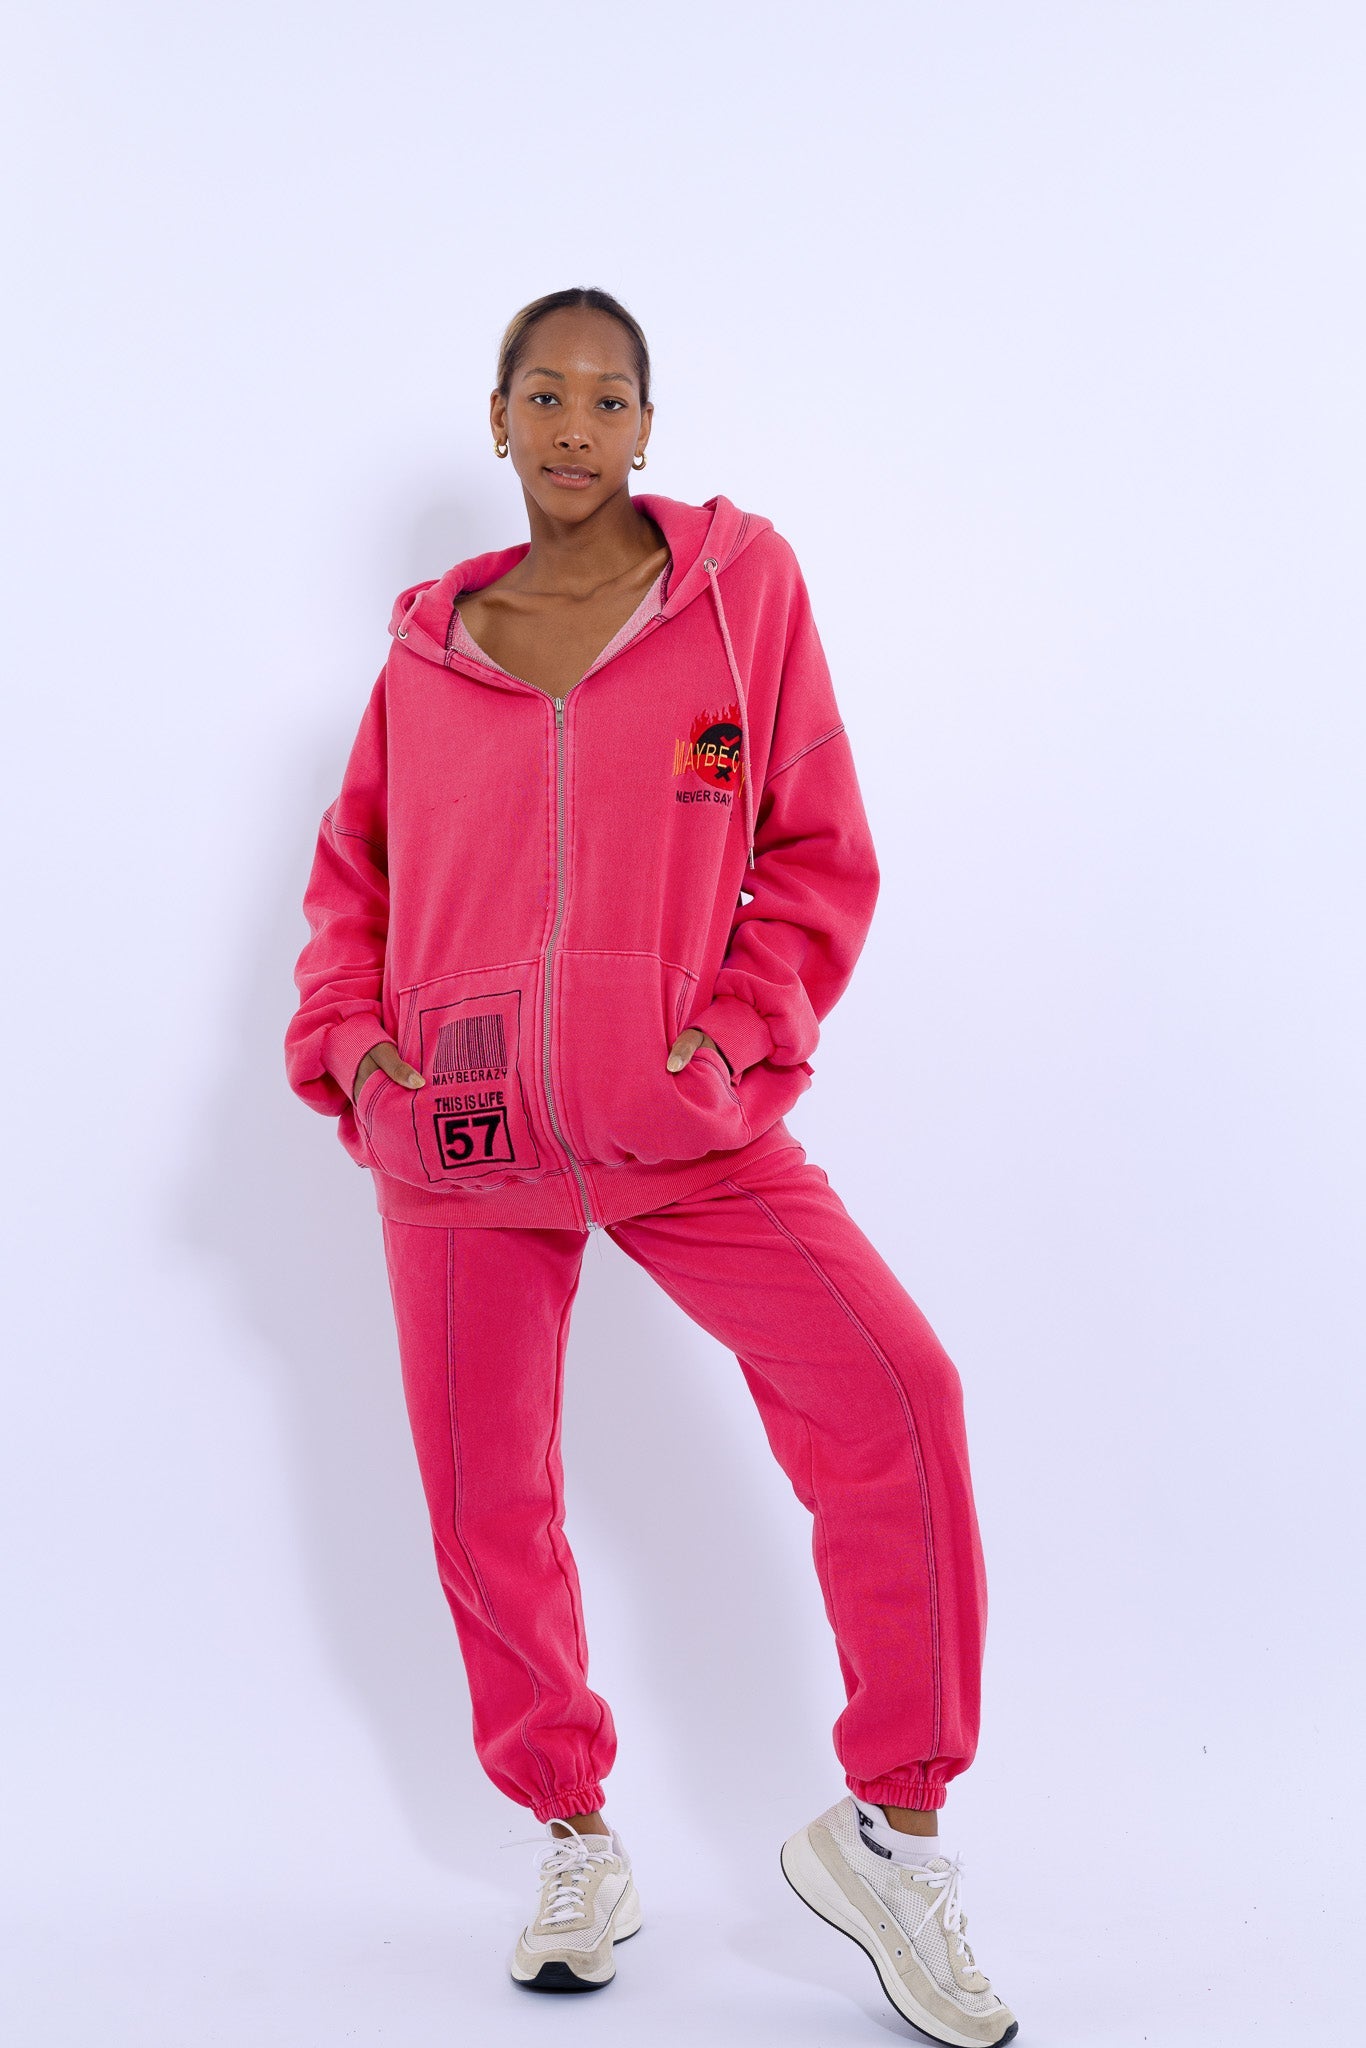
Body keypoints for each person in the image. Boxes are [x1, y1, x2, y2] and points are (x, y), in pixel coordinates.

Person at [283, 286, 1018, 2045]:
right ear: (497, 419)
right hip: (460, 1143)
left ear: (646, 428)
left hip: (688, 1131)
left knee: (896, 1392)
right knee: (488, 1503)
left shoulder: (738, 598)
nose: (574, 426)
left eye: (607, 398)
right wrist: (365, 1061)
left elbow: (814, 852)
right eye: (542, 394)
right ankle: (571, 1837)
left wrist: (724, 1052)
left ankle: (892, 1835)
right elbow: (350, 890)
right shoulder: (426, 657)